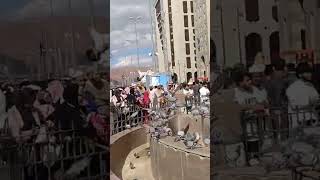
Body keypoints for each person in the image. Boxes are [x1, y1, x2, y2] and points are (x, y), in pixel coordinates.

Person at [286, 62, 319, 128]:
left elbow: (316, 99)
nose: (310, 74)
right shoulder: (292, 88)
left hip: (311, 119)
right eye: (307, 72)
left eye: (310, 72)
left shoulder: (310, 86)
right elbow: (294, 106)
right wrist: (309, 104)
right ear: (300, 74)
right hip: (299, 121)